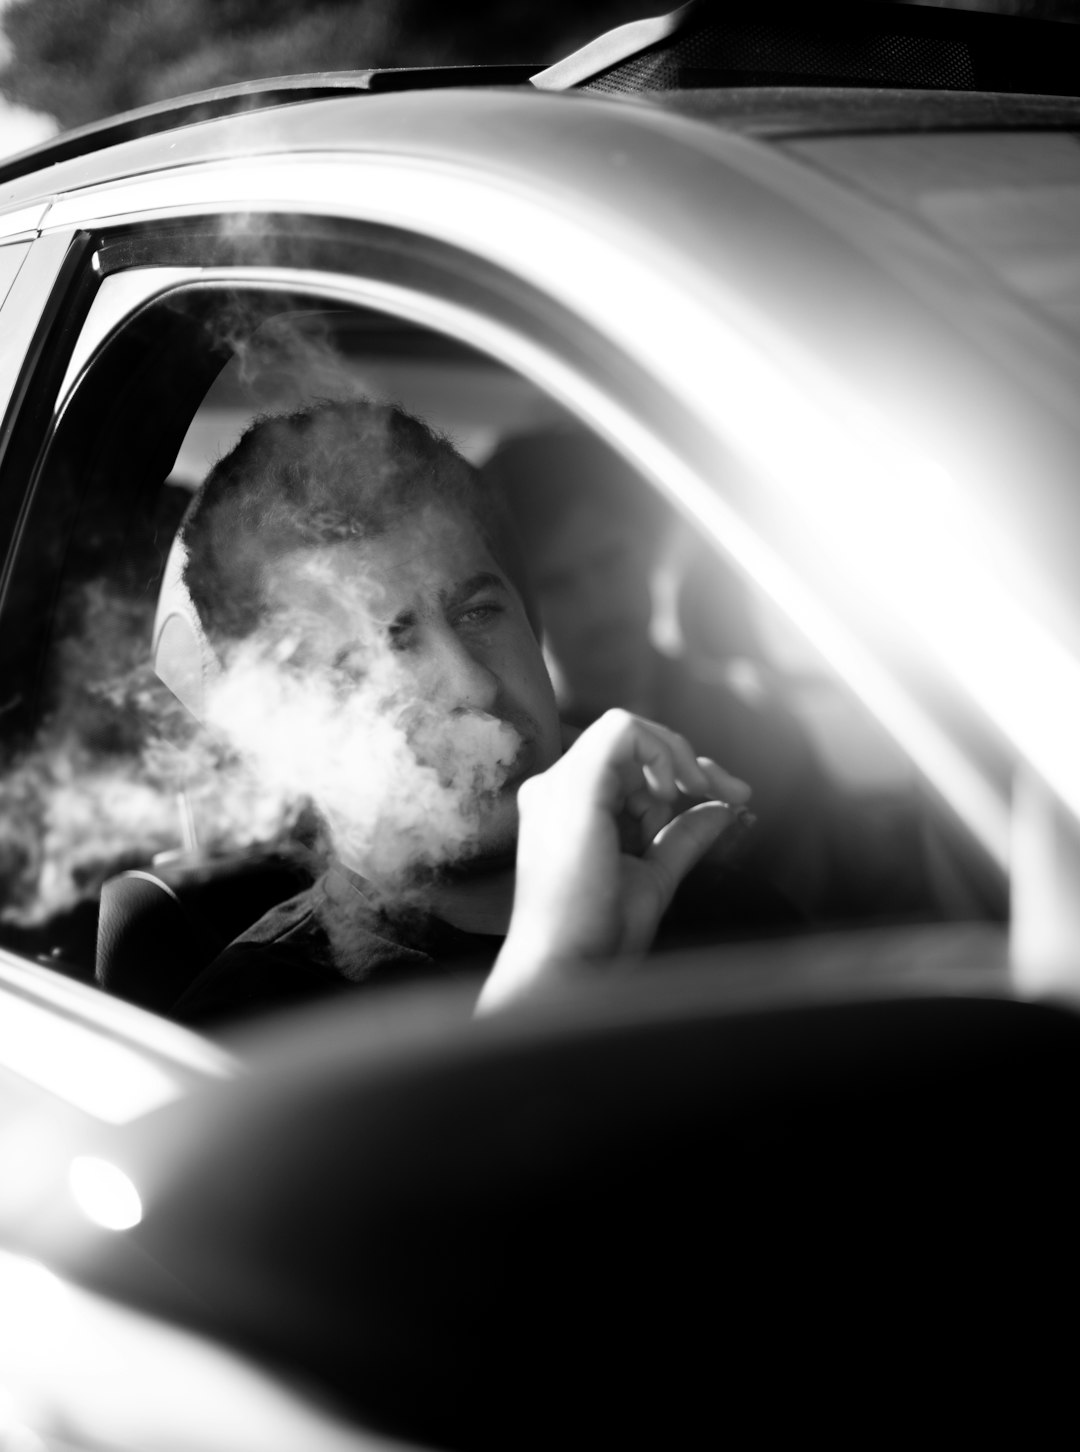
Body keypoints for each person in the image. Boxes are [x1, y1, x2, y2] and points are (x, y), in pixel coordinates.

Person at [170, 400, 754, 1026]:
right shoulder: (253, 1028)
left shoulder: (715, 910)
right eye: (385, 648)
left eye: (479, 613)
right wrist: (551, 982)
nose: (474, 687)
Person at [480, 429, 831, 918]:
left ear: (647, 550)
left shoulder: (761, 728)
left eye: (610, 561)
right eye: (557, 583)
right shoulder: (523, 779)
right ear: (520, 604)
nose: (597, 604)